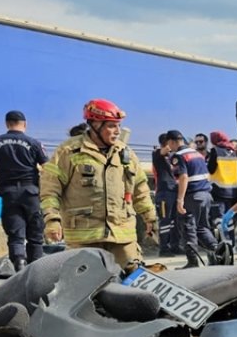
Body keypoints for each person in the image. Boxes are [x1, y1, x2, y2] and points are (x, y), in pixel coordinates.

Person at [41, 98, 156, 270]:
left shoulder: (126, 153)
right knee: (84, 289)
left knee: (133, 284)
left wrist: (151, 218)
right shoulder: (69, 152)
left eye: (118, 125)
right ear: (94, 124)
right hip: (84, 240)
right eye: (111, 125)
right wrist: (52, 220)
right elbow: (50, 190)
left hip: (122, 238)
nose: (117, 131)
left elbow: (140, 190)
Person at [0, 110, 48, 271]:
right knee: (36, 234)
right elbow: (47, 169)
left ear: (7, 124)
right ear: (25, 124)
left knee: (15, 234)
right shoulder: (34, 143)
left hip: (7, 192)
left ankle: (19, 264)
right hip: (31, 192)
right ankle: (36, 268)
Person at [165, 130, 217, 267]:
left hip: (192, 196)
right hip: (205, 195)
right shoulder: (197, 154)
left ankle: (192, 261)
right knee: (202, 227)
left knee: (188, 228)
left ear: (172, 141)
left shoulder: (178, 156)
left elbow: (183, 177)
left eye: (169, 143)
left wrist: (180, 200)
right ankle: (218, 250)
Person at [151, 132, 181, 256]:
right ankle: (164, 248)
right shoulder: (157, 153)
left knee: (174, 221)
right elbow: (163, 151)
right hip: (164, 192)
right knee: (165, 221)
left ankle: (175, 246)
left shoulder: (172, 157)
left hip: (173, 190)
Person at [206, 131, 237, 229]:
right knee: (229, 218)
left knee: (219, 219)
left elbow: (211, 169)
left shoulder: (215, 150)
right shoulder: (232, 151)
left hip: (218, 190)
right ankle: (231, 242)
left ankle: (223, 242)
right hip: (232, 190)